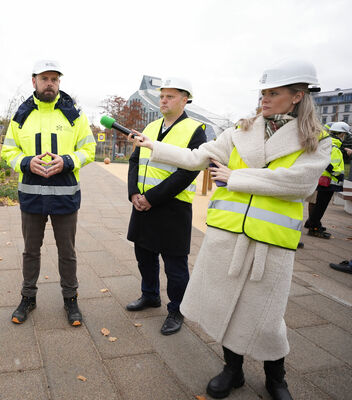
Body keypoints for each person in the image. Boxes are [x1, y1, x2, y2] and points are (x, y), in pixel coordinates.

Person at [129, 58, 330, 400]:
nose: (264, 99)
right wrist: (154, 146)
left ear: (297, 96)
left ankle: (276, 378)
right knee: (226, 306)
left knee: (267, 318)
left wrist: (236, 178)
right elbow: (198, 157)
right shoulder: (241, 130)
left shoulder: (316, 138)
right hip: (229, 234)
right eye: (263, 92)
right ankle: (232, 370)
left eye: (274, 93)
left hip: (271, 241)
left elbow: (298, 183)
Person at [1, 60, 96, 326]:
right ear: (34, 81)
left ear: (59, 83)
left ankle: (71, 300)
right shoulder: (21, 114)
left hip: (65, 195)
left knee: (67, 252)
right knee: (31, 251)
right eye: (45, 78)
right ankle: (28, 298)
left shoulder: (74, 114)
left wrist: (67, 161)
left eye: (55, 79)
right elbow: (8, 150)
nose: (50, 83)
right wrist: (24, 162)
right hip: (31, 197)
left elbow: (89, 150)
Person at [125, 77, 207, 336]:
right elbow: (135, 161)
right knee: (144, 256)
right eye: (162, 96)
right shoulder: (150, 125)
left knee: (175, 264)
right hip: (142, 204)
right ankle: (150, 295)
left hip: (172, 206)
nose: (163, 100)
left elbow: (188, 172)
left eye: (170, 96)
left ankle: (177, 309)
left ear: (185, 99)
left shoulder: (195, 129)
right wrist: (134, 193)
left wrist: (152, 198)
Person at [304, 121, 350, 238]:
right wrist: (337, 175)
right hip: (329, 181)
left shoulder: (330, 144)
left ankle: (312, 223)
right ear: (341, 134)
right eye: (344, 135)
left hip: (324, 180)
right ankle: (314, 228)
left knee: (319, 204)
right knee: (321, 206)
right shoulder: (335, 146)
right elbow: (329, 164)